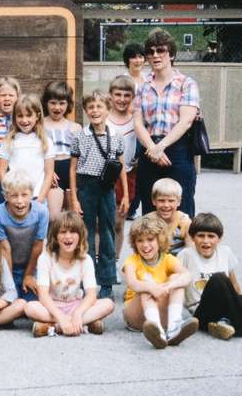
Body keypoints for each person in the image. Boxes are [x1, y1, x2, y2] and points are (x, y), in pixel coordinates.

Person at [179, 213, 242, 339]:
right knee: (219, 279)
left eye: (211, 236)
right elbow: (176, 284)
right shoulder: (186, 255)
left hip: (226, 306)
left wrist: (235, 305)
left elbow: (234, 284)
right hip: (201, 311)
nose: (206, 241)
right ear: (193, 237)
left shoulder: (225, 252)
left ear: (219, 238)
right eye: (200, 236)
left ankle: (226, 322)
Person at [133, 27, 201, 217]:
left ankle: (183, 247)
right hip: (149, 149)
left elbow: (186, 121)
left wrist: (160, 147)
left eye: (161, 50)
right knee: (150, 207)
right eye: (150, 51)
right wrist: (152, 148)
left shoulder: (186, 84)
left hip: (177, 149)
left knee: (182, 207)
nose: (155, 55)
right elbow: (138, 122)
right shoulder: (143, 86)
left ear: (171, 53)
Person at [69, 90, 128, 300]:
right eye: (91, 107)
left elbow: (121, 167)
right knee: (86, 233)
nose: (95, 111)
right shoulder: (80, 136)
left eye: (99, 107)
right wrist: (74, 199)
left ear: (107, 109)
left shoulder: (116, 137)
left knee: (107, 233)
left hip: (107, 188)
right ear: (86, 111)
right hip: (86, 186)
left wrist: (126, 196)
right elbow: (73, 169)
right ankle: (88, 280)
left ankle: (107, 281)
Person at [25, 211, 114, 337]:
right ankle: (83, 325)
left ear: (81, 235)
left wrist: (78, 313)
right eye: (63, 232)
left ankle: (52, 327)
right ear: (55, 236)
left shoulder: (85, 259)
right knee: (30, 308)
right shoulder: (46, 258)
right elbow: (43, 296)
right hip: (52, 306)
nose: (68, 236)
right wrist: (60, 317)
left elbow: (91, 295)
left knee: (108, 304)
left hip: (75, 304)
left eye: (73, 232)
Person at [122, 215, 198, 349]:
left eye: (150, 239)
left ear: (160, 240)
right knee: (145, 287)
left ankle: (174, 326)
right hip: (136, 315)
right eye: (140, 241)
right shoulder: (132, 261)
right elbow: (132, 283)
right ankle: (156, 329)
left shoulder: (168, 259)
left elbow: (187, 276)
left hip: (160, 311)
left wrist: (170, 285)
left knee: (177, 279)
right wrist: (151, 288)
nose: (145, 245)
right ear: (135, 243)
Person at [0, 170, 48, 302]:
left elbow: (38, 246)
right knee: (7, 300)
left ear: (32, 195)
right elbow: (5, 248)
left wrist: (28, 275)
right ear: (5, 196)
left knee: (34, 301)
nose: (20, 201)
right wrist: (8, 283)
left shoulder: (41, 212)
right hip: (7, 267)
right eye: (14, 196)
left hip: (33, 267)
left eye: (24, 195)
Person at [0, 93, 55, 202]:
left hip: (38, 196)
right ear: (14, 117)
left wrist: (41, 198)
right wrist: (10, 193)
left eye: (28, 115)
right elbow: (1, 171)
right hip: (16, 198)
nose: (24, 120)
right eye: (20, 116)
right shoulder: (9, 140)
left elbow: (49, 173)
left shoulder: (46, 141)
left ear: (37, 116)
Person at [42, 81, 82, 217]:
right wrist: (48, 171)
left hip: (71, 170)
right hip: (52, 172)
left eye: (62, 103)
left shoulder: (75, 127)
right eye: (53, 103)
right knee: (54, 215)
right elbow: (37, 153)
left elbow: (79, 157)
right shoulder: (40, 125)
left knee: (72, 215)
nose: (57, 107)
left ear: (68, 104)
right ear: (46, 103)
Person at [108, 75, 138, 251]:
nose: (121, 99)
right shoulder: (103, 118)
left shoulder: (136, 120)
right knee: (100, 223)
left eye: (127, 95)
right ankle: (99, 261)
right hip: (104, 174)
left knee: (118, 222)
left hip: (126, 174)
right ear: (110, 95)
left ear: (132, 97)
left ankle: (115, 260)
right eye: (117, 94)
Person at [144, 178, 192, 255]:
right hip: (154, 262)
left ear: (179, 201)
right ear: (153, 200)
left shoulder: (185, 222)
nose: (166, 205)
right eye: (161, 200)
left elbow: (190, 251)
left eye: (171, 201)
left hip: (179, 263)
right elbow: (141, 248)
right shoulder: (148, 221)